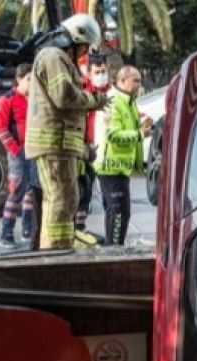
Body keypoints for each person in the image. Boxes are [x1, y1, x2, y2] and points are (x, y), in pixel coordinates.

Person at [25, 13, 108, 250]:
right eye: (83, 48)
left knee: (67, 200)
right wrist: (94, 99)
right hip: (53, 146)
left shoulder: (59, 58)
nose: (84, 54)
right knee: (59, 201)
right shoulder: (53, 56)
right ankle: (53, 255)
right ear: (74, 39)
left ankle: (61, 247)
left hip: (61, 146)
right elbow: (63, 96)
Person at [94, 65, 149, 246]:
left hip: (120, 167)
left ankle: (114, 246)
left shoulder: (129, 101)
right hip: (111, 166)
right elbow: (112, 135)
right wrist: (141, 134)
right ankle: (114, 250)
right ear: (122, 81)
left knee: (119, 211)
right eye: (136, 81)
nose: (139, 85)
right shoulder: (113, 101)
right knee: (118, 211)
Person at [0, 64, 36, 248]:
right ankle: (6, 234)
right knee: (16, 191)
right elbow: (1, 129)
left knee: (32, 191)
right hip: (19, 152)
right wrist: (16, 150)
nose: (32, 83)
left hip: (34, 150)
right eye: (29, 79)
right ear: (19, 79)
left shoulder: (35, 100)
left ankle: (28, 229)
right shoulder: (6, 100)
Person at [74, 56, 110, 241]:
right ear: (88, 73)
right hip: (84, 149)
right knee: (82, 189)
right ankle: (77, 228)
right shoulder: (83, 93)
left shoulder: (110, 93)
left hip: (103, 151)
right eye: (97, 72)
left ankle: (82, 228)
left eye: (103, 71)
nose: (101, 75)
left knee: (91, 193)